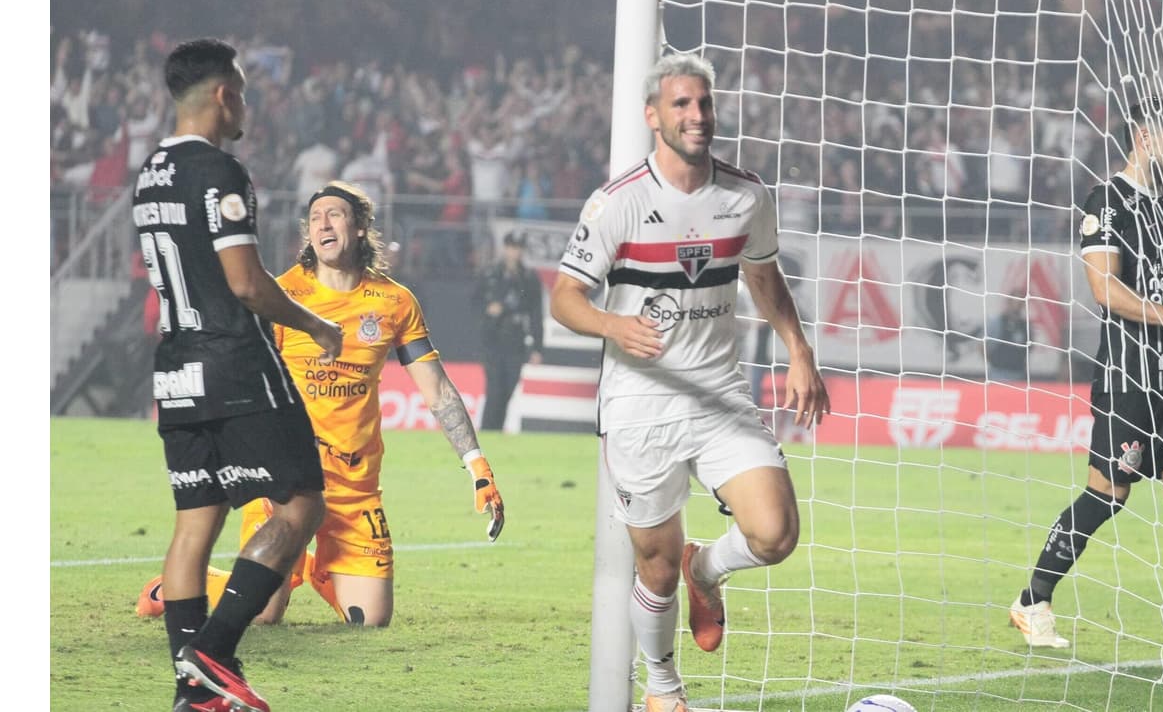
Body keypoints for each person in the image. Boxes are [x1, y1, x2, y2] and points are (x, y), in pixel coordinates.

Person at [549, 53, 831, 712]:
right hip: (639, 403)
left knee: (775, 532)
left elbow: (763, 276)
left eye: (703, 104)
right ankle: (663, 688)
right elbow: (565, 298)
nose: (697, 116)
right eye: (681, 105)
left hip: (719, 393)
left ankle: (706, 568)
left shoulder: (745, 195)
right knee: (653, 562)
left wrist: (799, 349)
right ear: (653, 116)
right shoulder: (617, 204)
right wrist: (612, 328)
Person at [138, 180, 505, 628]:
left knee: (371, 621)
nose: (322, 224)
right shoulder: (281, 296)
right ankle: (171, 589)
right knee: (262, 613)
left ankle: (308, 570)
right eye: (314, 218)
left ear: (361, 226)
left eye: (334, 214)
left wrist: (477, 465)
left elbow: (438, 390)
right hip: (287, 481)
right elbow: (241, 378)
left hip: (355, 487)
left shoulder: (394, 302)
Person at [134, 38, 343, 712]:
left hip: (176, 372)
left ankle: (193, 694)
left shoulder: (149, 173)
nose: (246, 103)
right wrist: (314, 323)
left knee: (195, 525)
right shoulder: (220, 172)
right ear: (224, 95)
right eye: (244, 91)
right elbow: (247, 284)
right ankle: (213, 651)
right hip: (235, 365)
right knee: (302, 505)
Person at [1008, 99, 1163, 660]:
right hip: (1129, 379)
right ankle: (1032, 600)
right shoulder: (1106, 202)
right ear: (1144, 137)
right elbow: (1105, 291)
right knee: (1107, 495)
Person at [475, 230, 545, 431]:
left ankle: (497, 429)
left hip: (516, 338)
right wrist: (487, 310)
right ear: (505, 248)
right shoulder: (490, 273)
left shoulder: (529, 278)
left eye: (518, 248)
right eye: (512, 247)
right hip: (493, 337)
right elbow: (474, 301)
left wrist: (537, 347)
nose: (515, 252)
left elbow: (535, 314)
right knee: (495, 388)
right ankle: (488, 430)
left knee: (508, 388)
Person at [984, 295, 1030, 383]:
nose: (1016, 307)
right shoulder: (998, 322)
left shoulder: (1025, 326)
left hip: (1018, 375)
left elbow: (1028, 349)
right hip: (998, 374)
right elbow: (982, 346)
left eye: (1020, 304)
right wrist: (993, 361)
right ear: (1008, 303)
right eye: (1014, 303)